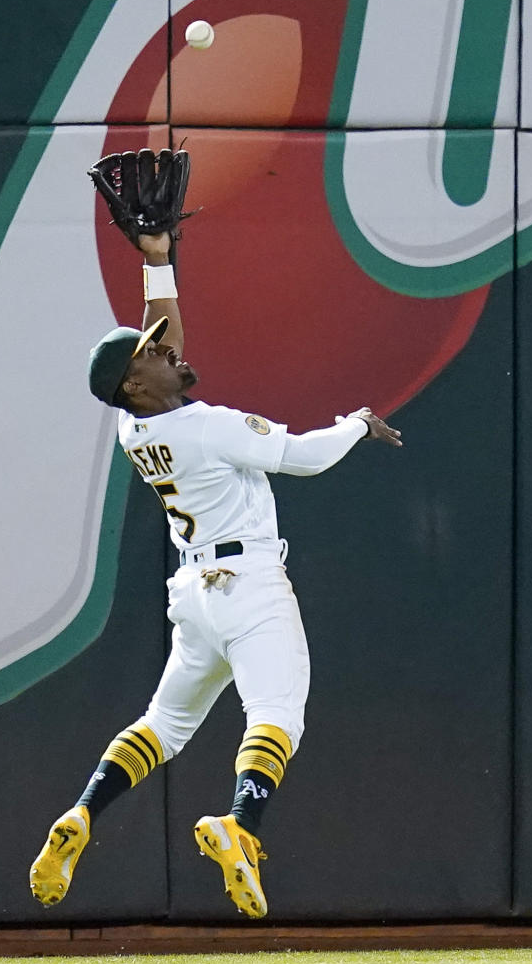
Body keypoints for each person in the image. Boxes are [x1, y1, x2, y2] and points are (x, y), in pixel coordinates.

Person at [29, 229, 402, 918]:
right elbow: (305, 457)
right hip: (250, 584)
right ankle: (241, 825)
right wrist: (355, 424)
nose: (171, 351)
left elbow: (156, 343)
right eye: (154, 355)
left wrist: (157, 262)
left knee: (165, 725)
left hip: (195, 596)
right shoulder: (205, 426)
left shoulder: (133, 426)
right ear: (137, 384)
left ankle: (84, 812)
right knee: (276, 715)